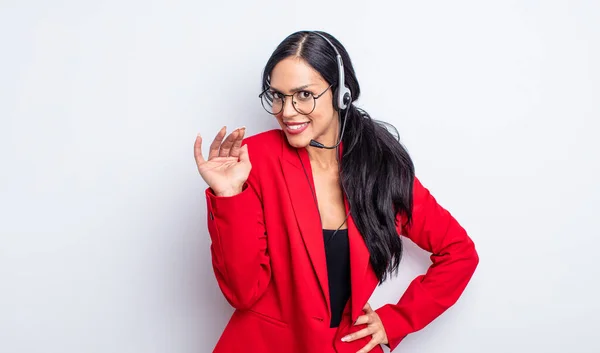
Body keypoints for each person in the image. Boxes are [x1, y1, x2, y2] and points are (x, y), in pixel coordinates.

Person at [193, 30, 479, 353]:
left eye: (303, 95)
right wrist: (230, 196)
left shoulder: (382, 171)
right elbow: (242, 293)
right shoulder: (251, 160)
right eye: (278, 96)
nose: (286, 112)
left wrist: (394, 321)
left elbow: (460, 253)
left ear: (341, 94)